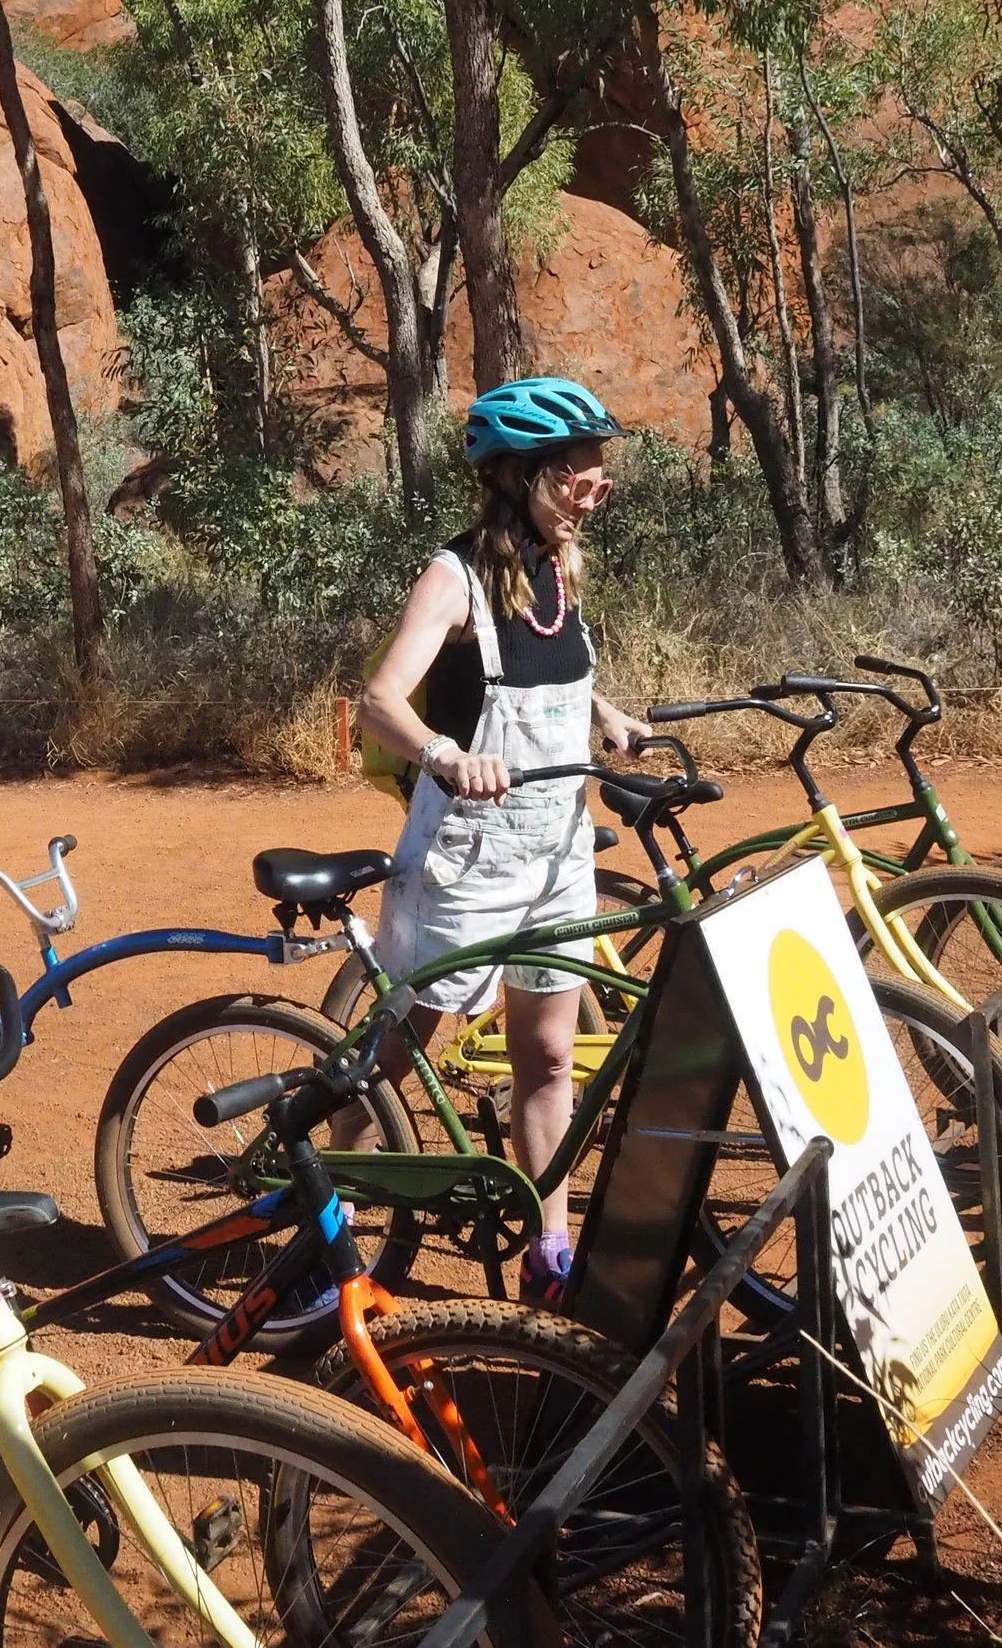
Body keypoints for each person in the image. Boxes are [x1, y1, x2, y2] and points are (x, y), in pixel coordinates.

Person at [356, 378, 651, 1308]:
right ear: (522, 476)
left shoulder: (562, 570)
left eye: (601, 481)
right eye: (579, 481)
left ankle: (549, 1246)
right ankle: (309, 1194)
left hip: (558, 848)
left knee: (550, 1058)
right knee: (401, 1047)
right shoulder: (454, 577)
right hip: (470, 854)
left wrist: (605, 715)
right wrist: (445, 755)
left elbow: (548, 672)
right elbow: (381, 701)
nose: (592, 496)